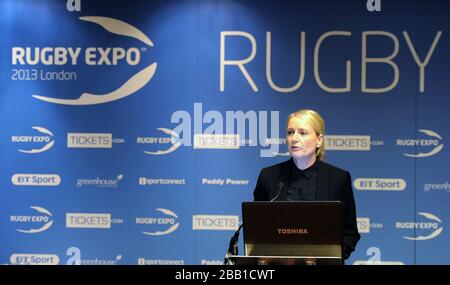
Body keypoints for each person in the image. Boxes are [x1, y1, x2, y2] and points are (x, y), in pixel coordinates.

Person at [253, 109, 360, 260]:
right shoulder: (268, 176)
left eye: (302, 133)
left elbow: (350, 233)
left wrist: (331, 258)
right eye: (290, 132)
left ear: (319, 140)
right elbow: (256, 230)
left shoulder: (338, 178)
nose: (294, 138)